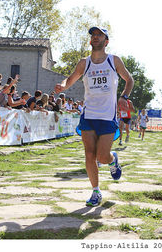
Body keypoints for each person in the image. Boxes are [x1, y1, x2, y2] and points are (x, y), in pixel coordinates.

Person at [54, 26, 134, 207]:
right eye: (93, 35)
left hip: (107, 116)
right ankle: (96, 192)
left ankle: (112, 159)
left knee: (102, 156)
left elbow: (129, 80)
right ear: (90, 41)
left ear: (106, 41)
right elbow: (71, 78)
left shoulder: (114, 61)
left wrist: (124, 97)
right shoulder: (85, 63)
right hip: (89, 115)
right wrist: (62, 86)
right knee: (89, 154)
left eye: (100, 35)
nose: (96, 37)